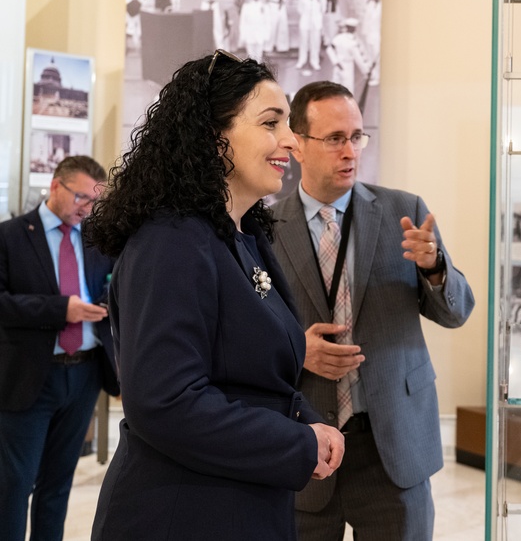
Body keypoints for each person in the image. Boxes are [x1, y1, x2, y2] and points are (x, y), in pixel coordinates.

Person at [86, 51, 344, 539]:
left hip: (238, 504)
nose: (290, 140)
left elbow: (254, 378)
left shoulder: (242, 236)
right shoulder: (172, 240)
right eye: (271, 123)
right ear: (211, 135)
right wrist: (296, 443)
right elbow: (165, 402)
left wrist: (309, 423)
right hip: (180, 514)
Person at [271, 81, 475, 541]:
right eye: (335, 138)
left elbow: (457, 312)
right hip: (304, 443)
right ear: (298, 145)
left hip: (392, 445)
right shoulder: (263, 229)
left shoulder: (404, 212)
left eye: (357, 136)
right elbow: (243, 334)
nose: (350, 151)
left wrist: (435, 267)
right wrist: (294, 352)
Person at [0, 155, 118, 541]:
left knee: (58, 485)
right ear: (55, 186)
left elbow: (109, 287)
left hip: (83, 374)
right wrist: (60, 309)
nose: (87, 207)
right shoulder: (12, 236)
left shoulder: (95, 239)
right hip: (31, 375)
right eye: (81, 197)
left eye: (94, 201)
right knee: (15, 486)